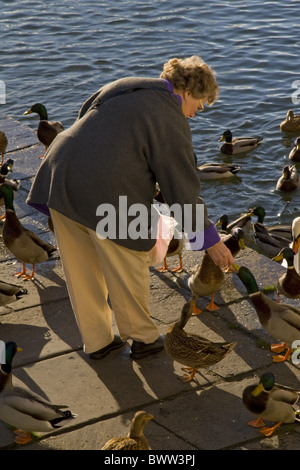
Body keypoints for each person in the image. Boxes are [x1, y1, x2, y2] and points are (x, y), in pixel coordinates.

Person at [27, 55, 234, 360]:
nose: (196, 112)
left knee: (81, 269)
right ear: (187, 92)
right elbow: (182, 189)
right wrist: (211, 241)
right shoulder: (169, 116)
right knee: (128, 259)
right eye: (199, 104)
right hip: (105, 192)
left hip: (59, 175)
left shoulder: (123, 86)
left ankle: (97, 342)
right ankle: (141, 338)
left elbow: (91, 125)